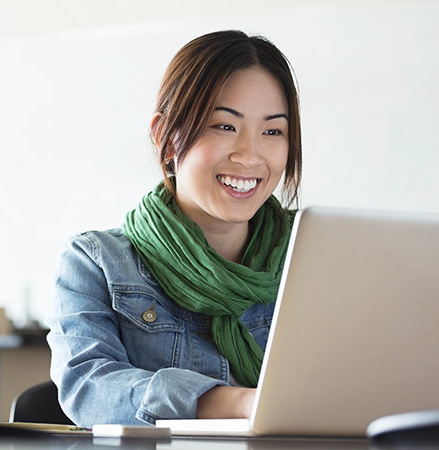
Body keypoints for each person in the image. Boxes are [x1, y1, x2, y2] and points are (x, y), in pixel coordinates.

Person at [46, 30, 302, 427]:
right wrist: (235, 403)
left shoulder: (311, 255)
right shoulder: (96, 261)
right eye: (224, 126)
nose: (250, 155)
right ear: (166, 137)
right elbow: (88, 387)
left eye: (272, 131)